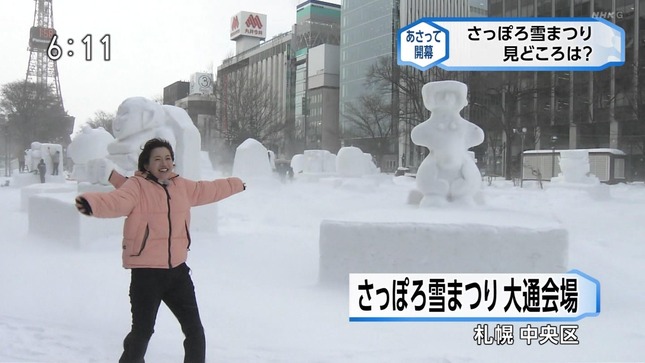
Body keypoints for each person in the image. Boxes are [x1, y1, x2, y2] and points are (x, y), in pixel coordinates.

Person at [74, 138, 246, 363]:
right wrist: (91, 203)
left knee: (195, 331)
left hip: (178, 273)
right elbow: (117, 201)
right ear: (146, 164)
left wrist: (235, 184)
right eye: (157, 159)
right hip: (147, 275)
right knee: (142, 333)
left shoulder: (182, 186)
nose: (164, 163)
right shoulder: (135, 187)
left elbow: (209, 189)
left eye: (168, 158)